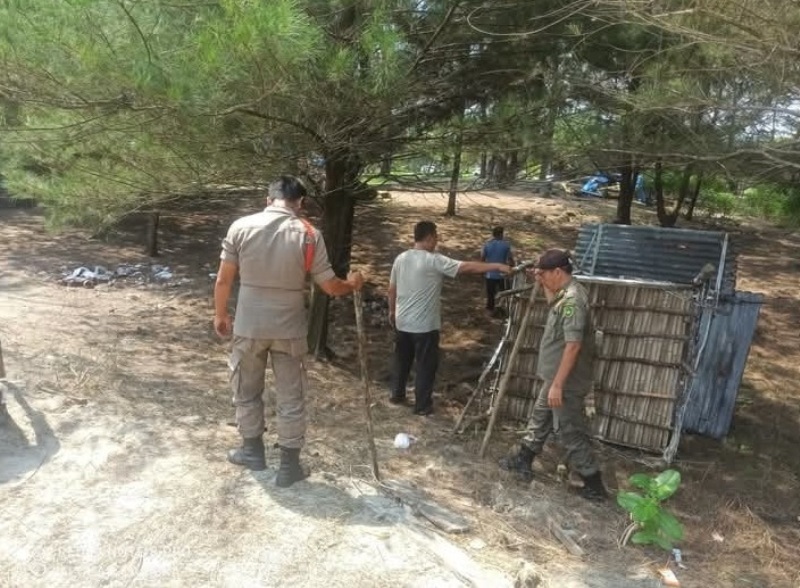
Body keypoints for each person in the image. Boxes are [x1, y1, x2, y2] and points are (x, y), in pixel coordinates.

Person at [214, 175, 364, 487]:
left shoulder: (240, 227)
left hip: (249, 324)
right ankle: (289, 467)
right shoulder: (309, 234)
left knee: (246, 389)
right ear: (300, 203)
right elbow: (329, 286)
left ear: (268, 200)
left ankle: (252, 451)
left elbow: (224, 280)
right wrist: (352, 285)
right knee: (291, 396)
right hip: (290, 328)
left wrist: (220, 314)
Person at [499, 249, 607, 501]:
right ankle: (523, 459)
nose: (542, 278)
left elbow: (573, 345)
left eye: (544, 274)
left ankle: (594, 484)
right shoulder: (564, 295)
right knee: (541, 416)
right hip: (556, 378)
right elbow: (551, 303)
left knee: (570, 430)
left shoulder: (572, 302)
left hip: (566, 382)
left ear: (558, 272)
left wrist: (558, 385)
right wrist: (540, 280)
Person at [388, 221, 511, 415]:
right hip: (424, 326)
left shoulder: (400, 259)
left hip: (402, 322)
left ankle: (397, 394)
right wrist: (496, 266)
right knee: (425, 366)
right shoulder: (433, 260)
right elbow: (466, 268)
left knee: (402, 360)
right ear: (428, 238)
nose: (437, 241)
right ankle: (422, 406)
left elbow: (392, 288)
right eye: (435, 236)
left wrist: (392, 311)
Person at [481, 226, 515, 316]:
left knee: (490, 294)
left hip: (490, 274)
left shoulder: (487, 245)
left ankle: (490, 311)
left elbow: (482, 258)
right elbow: (510, 259)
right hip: (501, 275)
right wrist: (512, 267)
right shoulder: (506, 245)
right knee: (505, 292)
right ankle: (503, 309)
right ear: (501, 234)